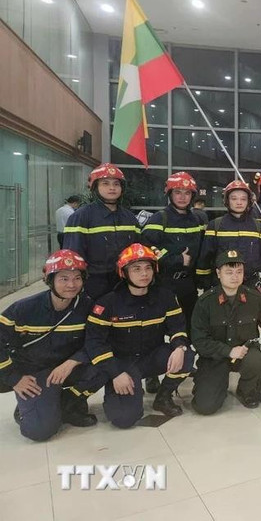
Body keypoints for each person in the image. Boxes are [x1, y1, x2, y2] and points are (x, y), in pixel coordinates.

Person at [85, 244, 195, 428]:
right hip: (122, 365)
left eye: (148, 268)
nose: (144, 274)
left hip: (152, 357)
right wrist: (115, 373)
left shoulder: (166, 297)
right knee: (123, 419)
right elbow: (94, 342)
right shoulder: (107, 303)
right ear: (124, 272)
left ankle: (163, 396)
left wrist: (179, 347)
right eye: (136, 269)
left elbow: (178, 327)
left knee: (187, 355)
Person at [0, 250, 101, 441]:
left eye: (77, 278)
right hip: (34, 373)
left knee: (105, 365)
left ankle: (68, 404)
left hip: (66, 369)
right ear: (49, 280)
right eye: (64, 278)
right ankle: (33, 407)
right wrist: (14, 378)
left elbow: (96, 341)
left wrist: (72, 362)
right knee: (39, 431)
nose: (71, 285)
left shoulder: (87, 306)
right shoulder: (23, 309)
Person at [190, 250, 261, 413]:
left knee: (257, 359)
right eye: (229, 272)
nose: (234, 276)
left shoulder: (253, 297)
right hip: (215, 357)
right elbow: (199, 340)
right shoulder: (205, 302)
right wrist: (228, 351)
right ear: (218, 273)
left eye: (239, 272)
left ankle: (246, 390)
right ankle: (212, 385)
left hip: (245, 354)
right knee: (205, 406)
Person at [63, 163, 140, 299]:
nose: (112, 188)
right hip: (93, 284)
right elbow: (73, 255)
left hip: (125, 282)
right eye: (105, 183)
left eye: (116, 184)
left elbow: (138, 249)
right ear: (95, 187)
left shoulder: (129, 218)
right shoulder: (81, 217)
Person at [142, 172, 204, 335]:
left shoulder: (197, 220)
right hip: (165, 284)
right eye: (177, 192)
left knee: (190, 329)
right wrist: (176, 260)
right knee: (162, 330)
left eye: (187, 193)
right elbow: (147, 249)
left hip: (189, 286)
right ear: (170, 194)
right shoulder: (159, 218)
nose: (182, 197)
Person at [196, 179, 261, 289]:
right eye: (234, 198)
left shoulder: (259, 227)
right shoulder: (215, 226)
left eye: (243, 199)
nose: (239, 202)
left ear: (249, 201)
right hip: (221, 285)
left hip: (252, 285)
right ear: (227, 201)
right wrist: (205, 283)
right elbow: (206, 257)